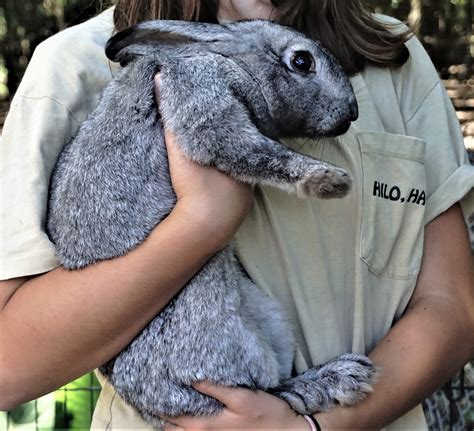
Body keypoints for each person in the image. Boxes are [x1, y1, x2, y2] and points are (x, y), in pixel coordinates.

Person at [0, 0, 473, 429]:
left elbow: (454, 306)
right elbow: (9, 369)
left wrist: (310, 426)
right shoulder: (75, 65)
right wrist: (202, 221)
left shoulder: (389, 53)